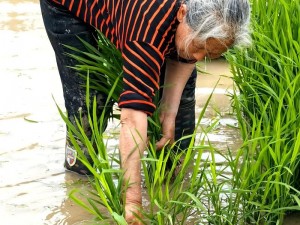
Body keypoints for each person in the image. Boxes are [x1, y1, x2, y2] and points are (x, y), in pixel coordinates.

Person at [40, 0, 251, 223]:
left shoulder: (198, 17)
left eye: (209, 54)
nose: (198, 58)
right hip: (66, 6)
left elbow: (186, 57)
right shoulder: (146, 30)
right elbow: (132, 118)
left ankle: (173, 185)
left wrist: (168, 114)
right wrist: (132, 202)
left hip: (144, 16)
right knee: (90, 102)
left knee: (182, 99)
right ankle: (78, 181)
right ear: (182, 13)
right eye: (199, 47)